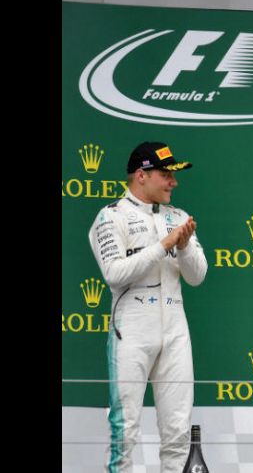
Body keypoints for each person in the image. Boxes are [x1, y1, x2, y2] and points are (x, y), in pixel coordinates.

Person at [88, 142, 208, 473]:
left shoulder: (178, 217)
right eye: (166, 174)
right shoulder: (110, 216)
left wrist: (184, 247)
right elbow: (114, 274)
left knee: (177, 434)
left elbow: (197, 277)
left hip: (175, 332)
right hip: (131, 331)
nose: (174, 182)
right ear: (141, 175)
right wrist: (164, 245)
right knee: (124, 433)